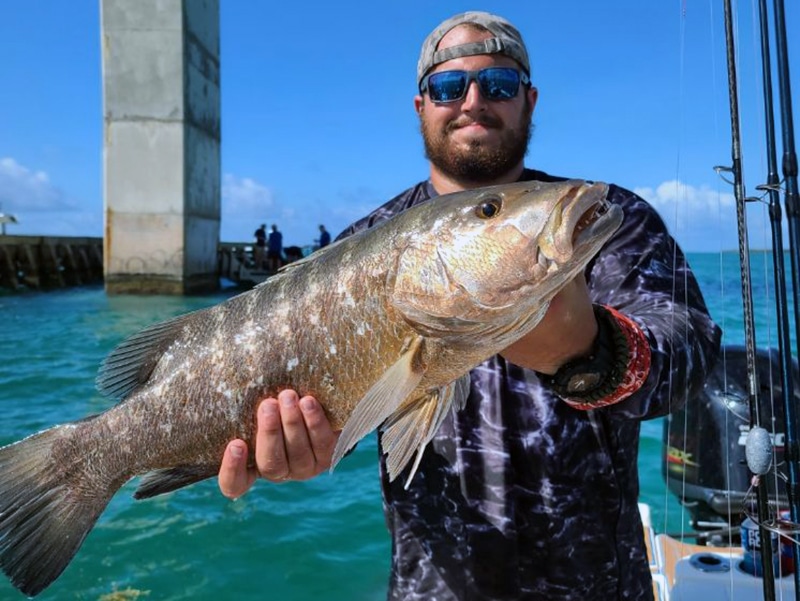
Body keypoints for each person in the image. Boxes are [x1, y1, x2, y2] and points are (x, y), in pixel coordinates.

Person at [218, 11, 721, 600]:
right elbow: (340, 409)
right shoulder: (363, 245)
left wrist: (593, 354)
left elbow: (691, 347)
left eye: (500, 85)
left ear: (529, 101)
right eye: (449, 86)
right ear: (421, 106)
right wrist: (308, 446)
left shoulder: (598, 220)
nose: (474, 100)